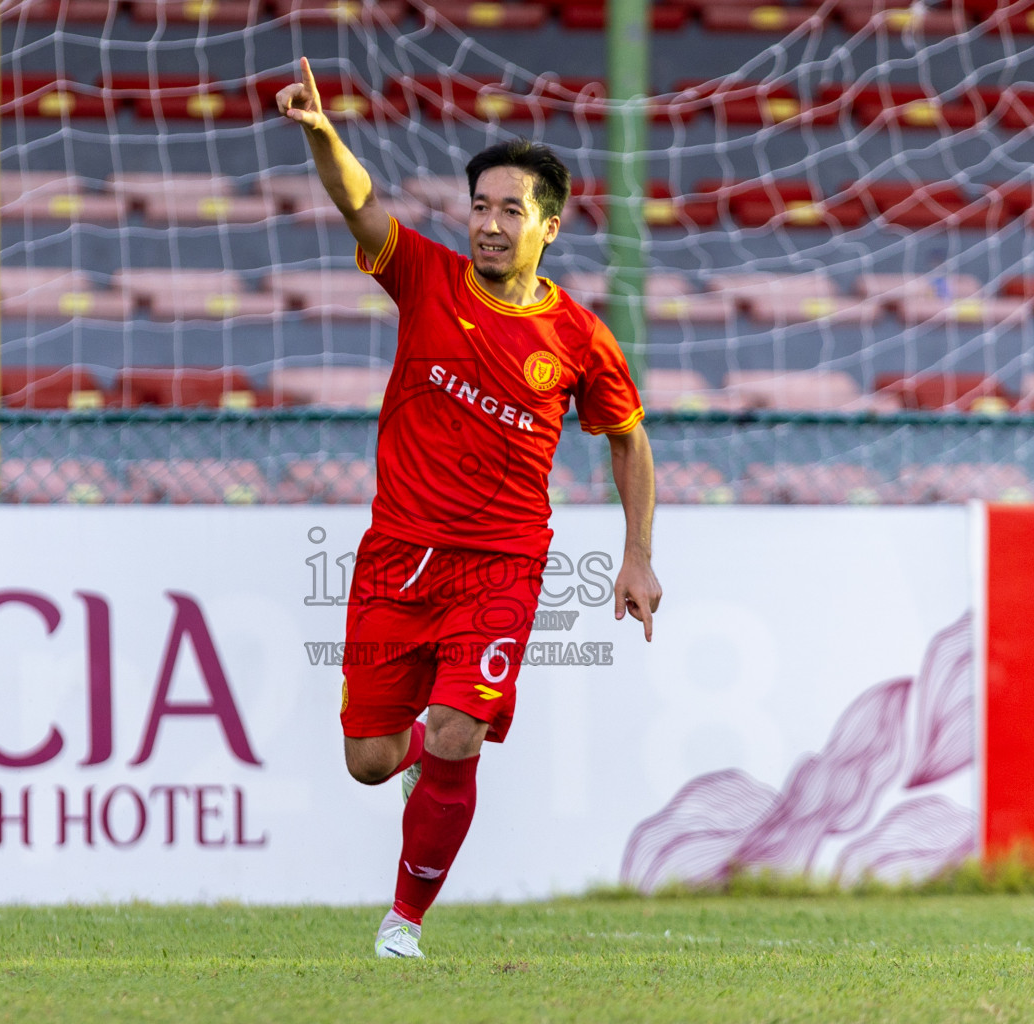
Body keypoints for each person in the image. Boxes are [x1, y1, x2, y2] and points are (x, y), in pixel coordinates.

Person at [277, 58, 661, 959]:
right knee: (372, 761)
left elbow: (629, 439)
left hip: (502, 563)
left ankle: (401, 927)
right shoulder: (425, 278)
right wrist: (323, 134)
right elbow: (360, 203)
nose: (488, 223)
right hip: (397, 557)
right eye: (480, 206)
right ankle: (426, 749)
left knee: (457, 733)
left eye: (509, 210)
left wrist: (635, 552)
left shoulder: (579, 339)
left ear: (550, 227)